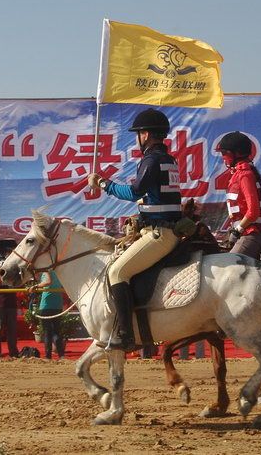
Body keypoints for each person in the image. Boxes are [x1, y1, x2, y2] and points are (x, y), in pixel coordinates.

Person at [87, 108, 182, 351]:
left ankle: (126, 335)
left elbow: (133, 192)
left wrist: (103, 183)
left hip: (159, 234)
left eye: (138, 134)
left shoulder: (151, 160)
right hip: (164, 228)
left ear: (146, 134)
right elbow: (155, 197)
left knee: (116, 272)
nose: (137, 138)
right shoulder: (169, 159)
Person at [215, 131, 261, 259]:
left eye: (224, 153)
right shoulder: (238, 174)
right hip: (245, 233)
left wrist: (238, 229)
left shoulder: (245, 175)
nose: (223, 157)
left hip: (251, 234)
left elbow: (253, 212)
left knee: (230, 267)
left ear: (237, 153)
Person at [31, 271, 65, 360]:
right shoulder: (57, 271)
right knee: (57, 331)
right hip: (58, 305)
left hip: (46, 305)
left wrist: (36, 286)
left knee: (47, 332)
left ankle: (48, 356)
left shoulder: (47, 271)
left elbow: (48, 281)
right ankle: (61, 355)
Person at [0, 266, 19, 359]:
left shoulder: (14, 272)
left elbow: (18, 284)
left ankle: (13, 352)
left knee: (12, 331)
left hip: (12, 305)